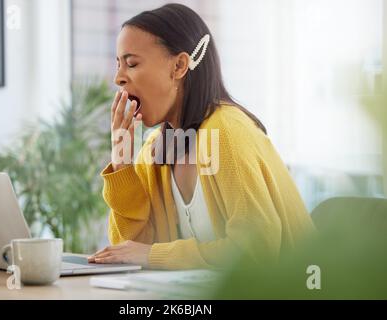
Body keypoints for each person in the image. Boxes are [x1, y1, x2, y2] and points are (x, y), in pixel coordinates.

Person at [88, 3, 315, 270]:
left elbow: (257, 249)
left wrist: (153, 255)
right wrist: (122, 163)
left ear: (180, 66)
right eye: (118, 65)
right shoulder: (155, 149)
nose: (118, 78)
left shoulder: (226, 132)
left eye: (132, 63)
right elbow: (129, 250)